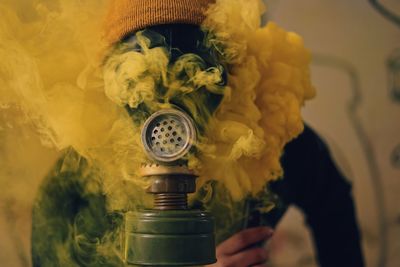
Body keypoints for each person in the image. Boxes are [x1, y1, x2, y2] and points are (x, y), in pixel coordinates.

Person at [31, 1, 365, 266]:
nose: (169, 108)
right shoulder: (74, 181)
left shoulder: (269, 146)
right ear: (110, 86)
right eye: (143, 81)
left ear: (231, 78)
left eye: (195, 77)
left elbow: (332, 203)